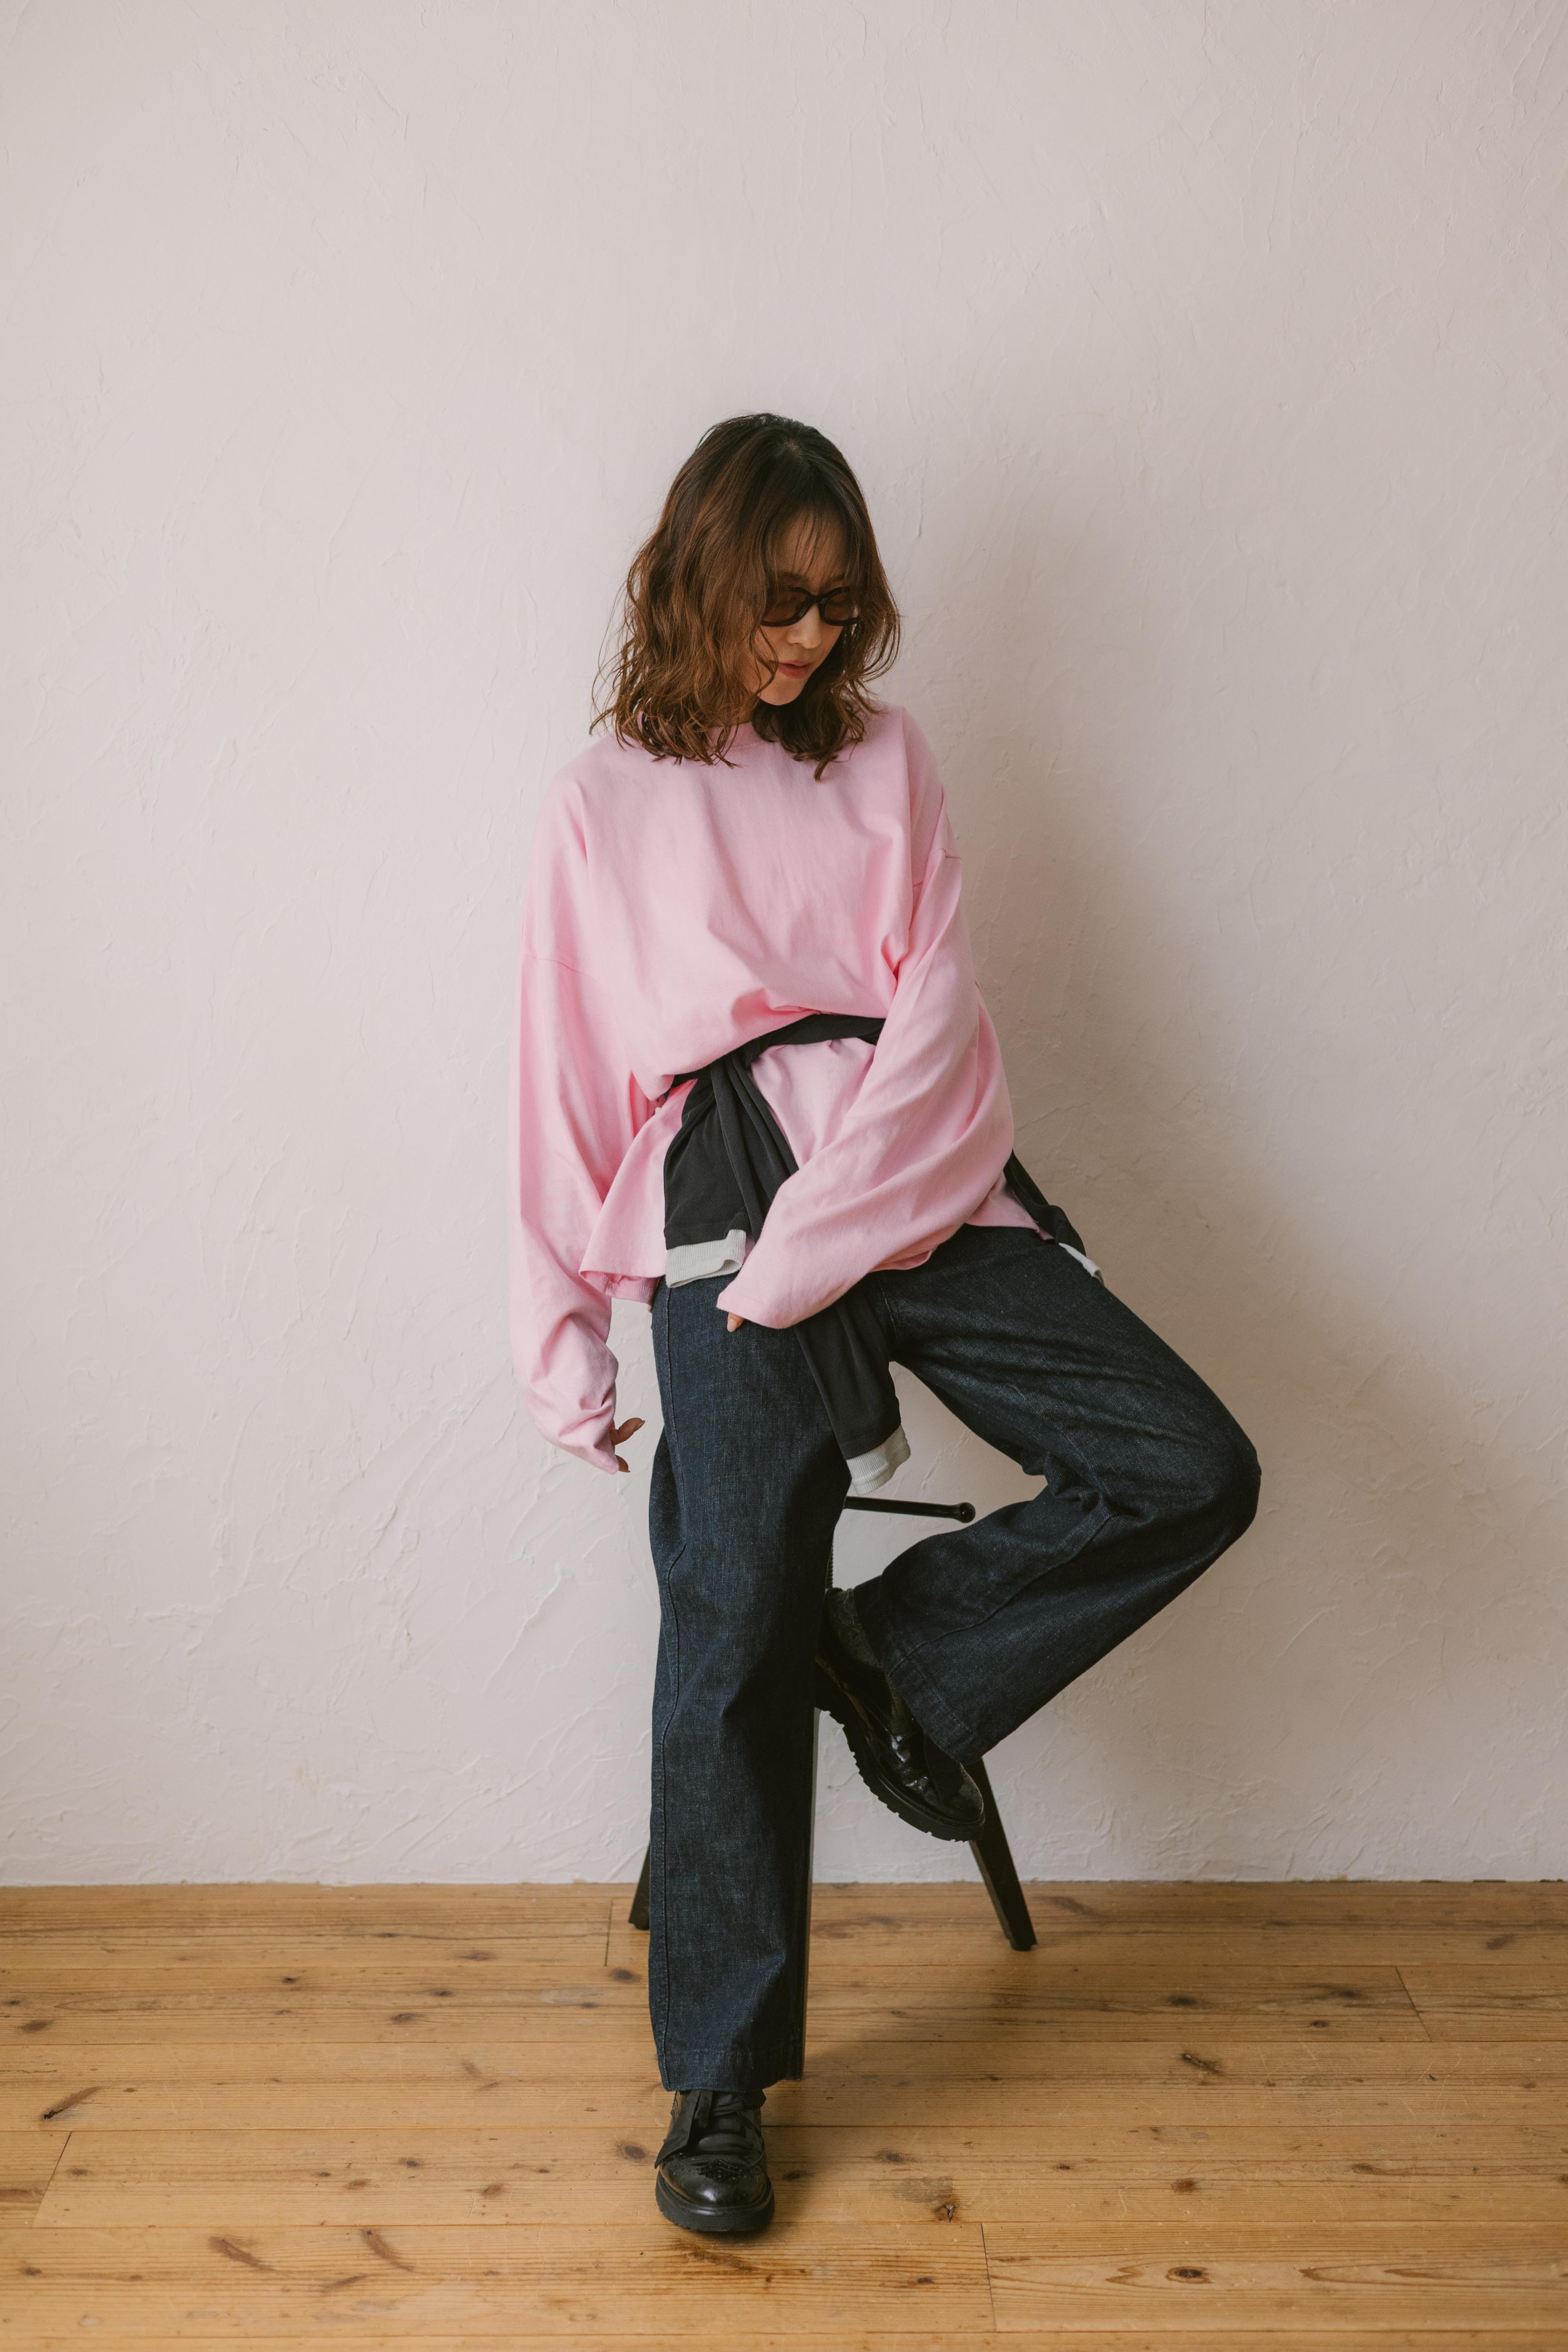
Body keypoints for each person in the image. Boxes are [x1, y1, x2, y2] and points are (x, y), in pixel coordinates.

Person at [507, 413, 1261, 2238]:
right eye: (777, 602)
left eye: (835, 607)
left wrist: (825, 1239)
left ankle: (894, 1662)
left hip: (912, 1173)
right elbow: (561, 1077)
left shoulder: (888, 760)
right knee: (730, 1612)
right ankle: (719, 2082)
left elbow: (939, 1020)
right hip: (719, 1198)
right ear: (698, 578)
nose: (808, 641)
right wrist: (565, 1333)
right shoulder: (605, 795)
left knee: (1188, 1464)